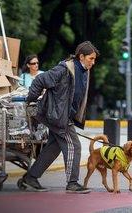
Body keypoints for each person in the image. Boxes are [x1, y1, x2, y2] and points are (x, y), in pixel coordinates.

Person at [22, 41, 100, 194]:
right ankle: (72, 183)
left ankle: (30, 178)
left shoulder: (84, 71)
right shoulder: (64, 69)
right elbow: (40, 80)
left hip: (63, 116)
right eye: (91, 58)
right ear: (81, 56)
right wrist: (31, 99)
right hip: (58, 116)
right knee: (74, 146)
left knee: (53, 147)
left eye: (94, 59)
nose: (93, 62)